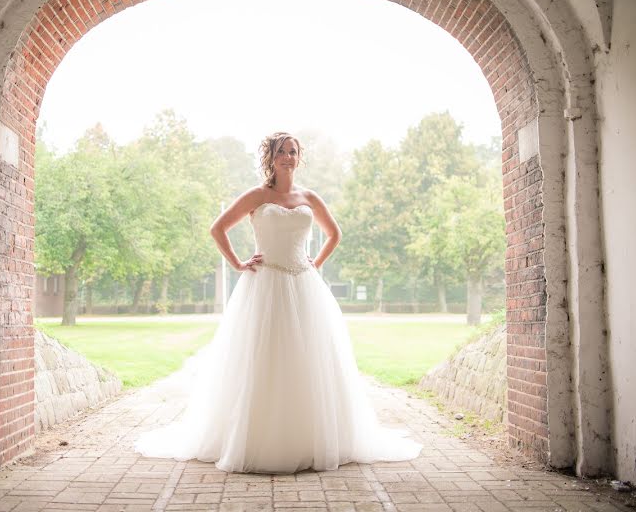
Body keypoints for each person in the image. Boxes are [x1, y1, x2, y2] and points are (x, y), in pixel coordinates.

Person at [133, 132, 422, 473]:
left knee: (309, 359)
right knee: (265, 357)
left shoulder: (309, 197)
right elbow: (218, 228)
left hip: (304, 285)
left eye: (293, 151)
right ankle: (260, 440)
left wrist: (316, 262)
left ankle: (311, 439)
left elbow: (335, 234)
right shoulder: (257, 196)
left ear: (300, 157)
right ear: (270, 157)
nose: (288, 156)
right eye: (281, 151)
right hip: (266, 284)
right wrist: (238, 263)